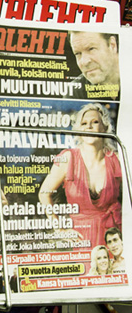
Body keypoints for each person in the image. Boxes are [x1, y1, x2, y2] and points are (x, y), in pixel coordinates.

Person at [39, 103, 121, 249]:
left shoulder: (116, 160)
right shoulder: (68, 158)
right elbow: (44, 194)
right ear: (79, 130)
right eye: (84, 123)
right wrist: (60, 230)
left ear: (105, 127)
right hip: (82, 239)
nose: (89, 126)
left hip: (114, 238)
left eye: (95, 122)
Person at [69, 31, 120, 100]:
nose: (84, 62)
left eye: (91, 49)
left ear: (112, 45)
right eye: (77, 53)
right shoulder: (75, 92)